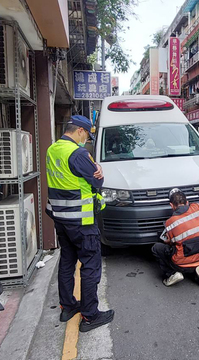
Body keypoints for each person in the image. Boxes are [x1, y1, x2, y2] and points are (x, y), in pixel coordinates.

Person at [46, 115, 114, 332]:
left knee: (67, 262)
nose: (86, 140)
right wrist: (99, 171)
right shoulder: (78, 153)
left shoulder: (52, 149)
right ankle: (90, 316)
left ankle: (67, 307)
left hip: (61, 219)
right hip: (82, 221)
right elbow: (97, 180)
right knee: (90, 266)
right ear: (81, 131)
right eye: (87, 135)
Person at [151, 189, 199, 287]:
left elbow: (169, 242)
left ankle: (172, 274)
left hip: (181, 263)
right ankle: (198, 269)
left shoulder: (170, 223)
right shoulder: (196, 207)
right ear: (187, 202)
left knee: (157, 248)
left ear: (171, 205)